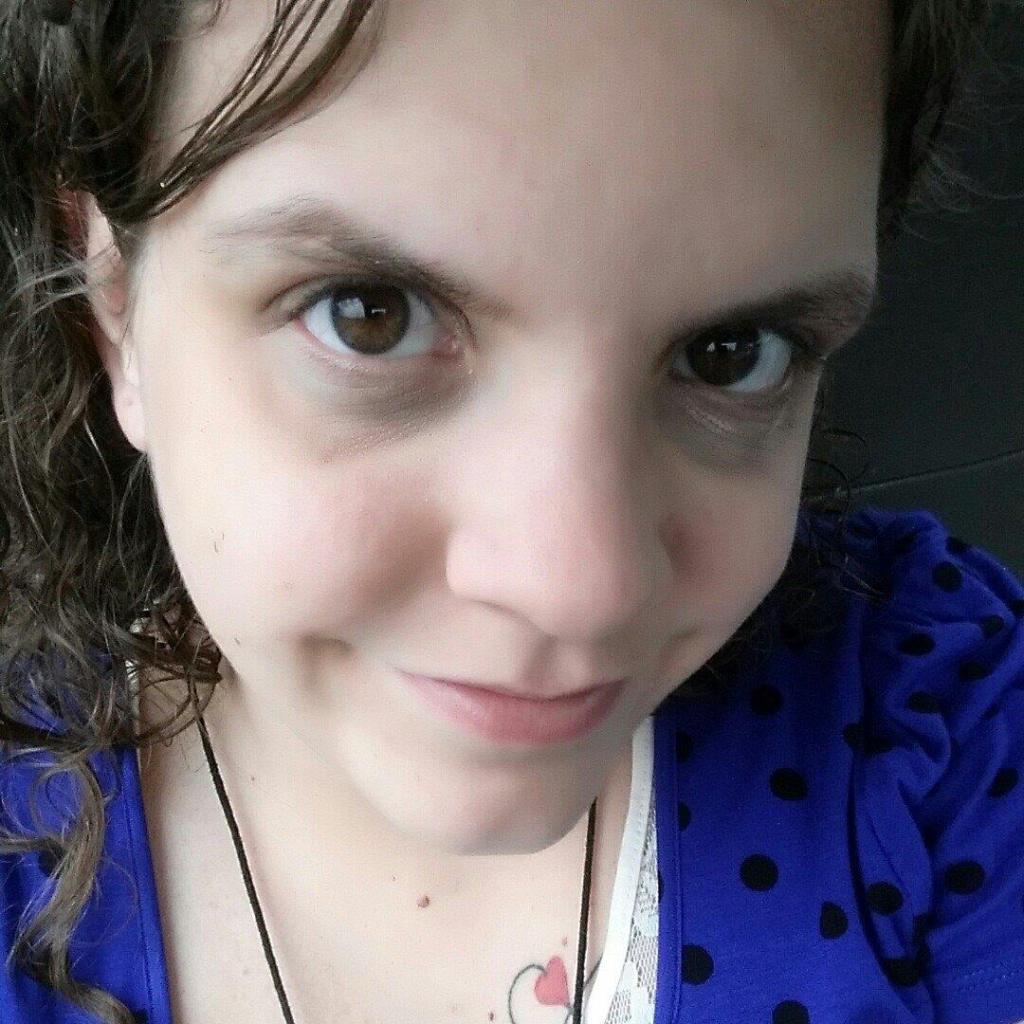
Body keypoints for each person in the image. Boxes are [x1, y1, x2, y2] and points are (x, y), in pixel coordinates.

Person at [1, 0, 1022, 1022]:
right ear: (116, 304)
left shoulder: (942, 728)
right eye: (369, 315)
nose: (581, 591)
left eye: (732, 354)